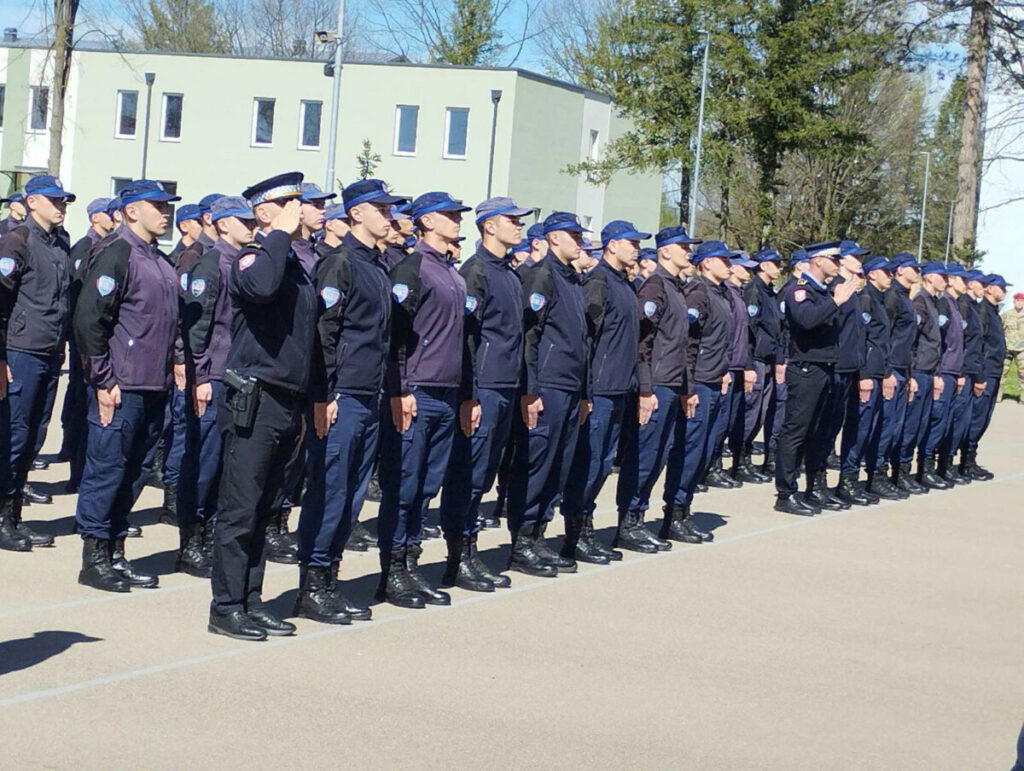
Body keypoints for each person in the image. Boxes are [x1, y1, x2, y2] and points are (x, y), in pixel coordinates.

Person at [295, 179, 406, 622]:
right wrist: (324, 395)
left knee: (353, 496)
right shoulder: (339, 264)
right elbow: (323, 333)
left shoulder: (377, 266)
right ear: (357, 213)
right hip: (341, 397)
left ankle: (330, 575)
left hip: (369, 393)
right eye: (381, 209)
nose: (390, 217)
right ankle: (312, 582)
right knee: (330, 492)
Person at [208, 172, 313, 641]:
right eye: (293, 202)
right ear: (266, 211)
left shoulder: (293, 263)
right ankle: (226, 605)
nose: (305, 209)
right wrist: (275, 236)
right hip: (254, 398)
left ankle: (251, 599)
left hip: (287, 400)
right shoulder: (254, 257)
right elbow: (262, 289)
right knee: (240, 508)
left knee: (266, 508)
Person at [73, 179, 181, 591]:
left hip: (153, 385)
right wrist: (102, 379)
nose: (165, 212)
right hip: (121, 385)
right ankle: (95, 557)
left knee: (134, 472)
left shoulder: (159, 259)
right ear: (132, 210)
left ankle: (116, 549)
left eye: (167, 205)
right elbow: (89, 321)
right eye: (157, 205)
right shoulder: (118, 252)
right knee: (107, 469)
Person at [377, 191, 470, 608]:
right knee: (404, 485)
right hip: (417, 391)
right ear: (427, 221)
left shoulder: (450, 270)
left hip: (446, 392)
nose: (456, 221)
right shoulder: (411, 267)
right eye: (449, 215)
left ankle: (411, 564)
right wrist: (401, 389)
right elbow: (396, 334)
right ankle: (393, 570)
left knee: (426, 486)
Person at [434, 196, 531, 590]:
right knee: (469, 475)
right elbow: (468, 338)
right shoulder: (476, 272)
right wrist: (469, 394)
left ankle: (469, 549)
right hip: (484, 387)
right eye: (512, 220)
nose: (518, 227)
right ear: (489, 225)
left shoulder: (508, 273)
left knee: (486, 473)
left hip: (506, 384)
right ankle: (459, 556)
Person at [560, 220, 650, 562]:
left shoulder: (624, 284)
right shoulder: (598, 281)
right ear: (611, 245)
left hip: (619, 387)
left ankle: (585, 527)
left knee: (601, 464)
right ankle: (575, 533)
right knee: (589, 463)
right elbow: (588, 337)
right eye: (631, 242)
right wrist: (587, 388)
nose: (636, 248)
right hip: (599, 387)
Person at [506, 211, 590, 577]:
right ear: (554, 238)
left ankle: (539, 535)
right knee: (537, 463)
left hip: (570, 385)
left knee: (558, 465)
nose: (580, 242)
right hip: (548, 385)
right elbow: (530, 336)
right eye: (573, 235)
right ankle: (522, 541)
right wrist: (531, 389)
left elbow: (581, 340)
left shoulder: (572, 279)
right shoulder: (542, 274)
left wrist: (584, 390)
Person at [176, 196, 256, 579]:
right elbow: (197, 326)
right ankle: (191, 542)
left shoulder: (241, 262)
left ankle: (208, 534)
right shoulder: (212, 264)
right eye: (244, 221)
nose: (252, 227)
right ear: (223, 224)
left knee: (225, 465)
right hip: (214, 378)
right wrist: (201, 376)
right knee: (203, 464)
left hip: (236, 377)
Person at [616, 225, 705, 545]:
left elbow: (685, 345)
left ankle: (638, 517)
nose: (689, 252)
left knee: (659, 454)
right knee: (643, 454)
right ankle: (628, 522)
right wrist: (645, 389)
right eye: (683, 247)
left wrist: (687, 388)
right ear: (665, 251)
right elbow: (643, 341)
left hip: (672, 383)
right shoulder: (655, 286)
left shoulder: (677, 287)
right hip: (655, 384)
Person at [0, 175, 75, 552]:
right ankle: (2, 518)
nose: (61, 206)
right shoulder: (18, 240)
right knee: (13, 436)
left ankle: (14, 515)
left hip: (49, 351)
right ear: (32, 203)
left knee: (34, 436)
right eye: (54, 200)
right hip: (20, 352)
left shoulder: (59, 243)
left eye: (64, 201)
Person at [773, 241, 857, 515]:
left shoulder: (823, 291)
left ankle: (812, 487)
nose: (838, 263)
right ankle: (786, 492)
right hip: (806, 368)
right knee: (795, 431)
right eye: (834, 259)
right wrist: (835, 302)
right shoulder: (800, 291)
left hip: (826, 368)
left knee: (818, 432)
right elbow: (806, 320)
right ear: (818, 260)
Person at [659, 240, 738, 530]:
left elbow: (721, 339)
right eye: (724, 260)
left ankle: (684, 506)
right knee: (689, 449)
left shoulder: (721, 293)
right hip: (699, 383)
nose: (729, 265)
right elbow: (689, 342)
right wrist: (688, 387)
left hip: (715, 380)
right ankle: (674, 512)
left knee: (704, 450)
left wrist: (724, 369)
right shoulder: (698, 292)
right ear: (707, 263)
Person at [807, 240, 869, 510]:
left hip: (847, 367)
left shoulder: (851, 289)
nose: (859, 261)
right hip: (834, 366)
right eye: (854, 257)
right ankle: (814, 485)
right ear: (841, 260)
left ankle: (822, 484)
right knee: (822, 431)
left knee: (832, 429)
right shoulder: (837, 287)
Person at [60, 197, 117, 490]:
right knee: (81, 403)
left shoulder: (107, 245)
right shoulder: (86, 246)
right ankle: (74, 465)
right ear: (96, 217)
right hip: (85, 339)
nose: (113, 217)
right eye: (109, 213)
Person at [835, 255, 895, 504]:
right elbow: (864, 340)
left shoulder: (877, 299)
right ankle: (847, 479)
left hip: (877, 373)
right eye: (886, 272)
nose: (890, 276)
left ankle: (854, 478)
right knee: (858, 428)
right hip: (866, 375)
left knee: (869, 428)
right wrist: (866, 375)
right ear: (872, 274)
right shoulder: (867, 299)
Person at [706, 252, 759, 488]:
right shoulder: (725, 293)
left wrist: (746, 364)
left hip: (736, 365)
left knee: (727, 421)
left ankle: (713, 465)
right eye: (742, 267)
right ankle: (710, 466)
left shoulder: (735, 294)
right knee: (716, 423)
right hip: (724, 367)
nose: (747, 272)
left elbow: (742, 336)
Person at [915, 260, 962, 490]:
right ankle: (914, 470)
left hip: (934, 369)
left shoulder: (937, 302)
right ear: (928, 277)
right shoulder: (923, 301)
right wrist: (937, 371)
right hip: (926, 370)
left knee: (932, 422)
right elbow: (915, 340)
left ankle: (927, 468)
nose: (946, 280)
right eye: (941, 276)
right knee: (920, 424)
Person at [963, 273, 1011, 480]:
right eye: (1001, 287)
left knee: (983, 420)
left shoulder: (993, 312)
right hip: (985, 373)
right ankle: (966, 461)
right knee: (976, 419)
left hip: (994, 372)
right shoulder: (982, 311)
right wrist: (980, 376)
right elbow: (978, 346)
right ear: (990, 288)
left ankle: (970, 459)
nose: (1004, 291)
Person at [741, 248, 783, 481]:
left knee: (761, 411)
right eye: (774, 263)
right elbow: (749, 328)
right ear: (763, 265)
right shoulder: (754, 290)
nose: (778, 268)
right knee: (751, 411)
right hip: (756, 358)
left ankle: (744, 457)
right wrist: (748, 364)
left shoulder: (769, 292)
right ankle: (740, 459)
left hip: (766, 358)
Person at [937, 262, 978, 485]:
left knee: (951, 422)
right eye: (962, 279)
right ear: (951, 280)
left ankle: (943, 466)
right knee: (938, 422)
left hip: (954, 369)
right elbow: (939, 340)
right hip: (944, 370)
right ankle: (936, 466)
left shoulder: (954, 303)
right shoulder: (945, 303)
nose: (967, 283)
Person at [1000, 291, 1024, 401]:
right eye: (1018, 300)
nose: (1020, 303)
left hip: (1021, 349)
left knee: (1022, 373)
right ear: (1014, 302)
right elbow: (999, 329)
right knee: (1002, 372)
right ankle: (998, 395)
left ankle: (1022, 397)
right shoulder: (1007, 314)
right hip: (1007, 348)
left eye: (1022, 301)